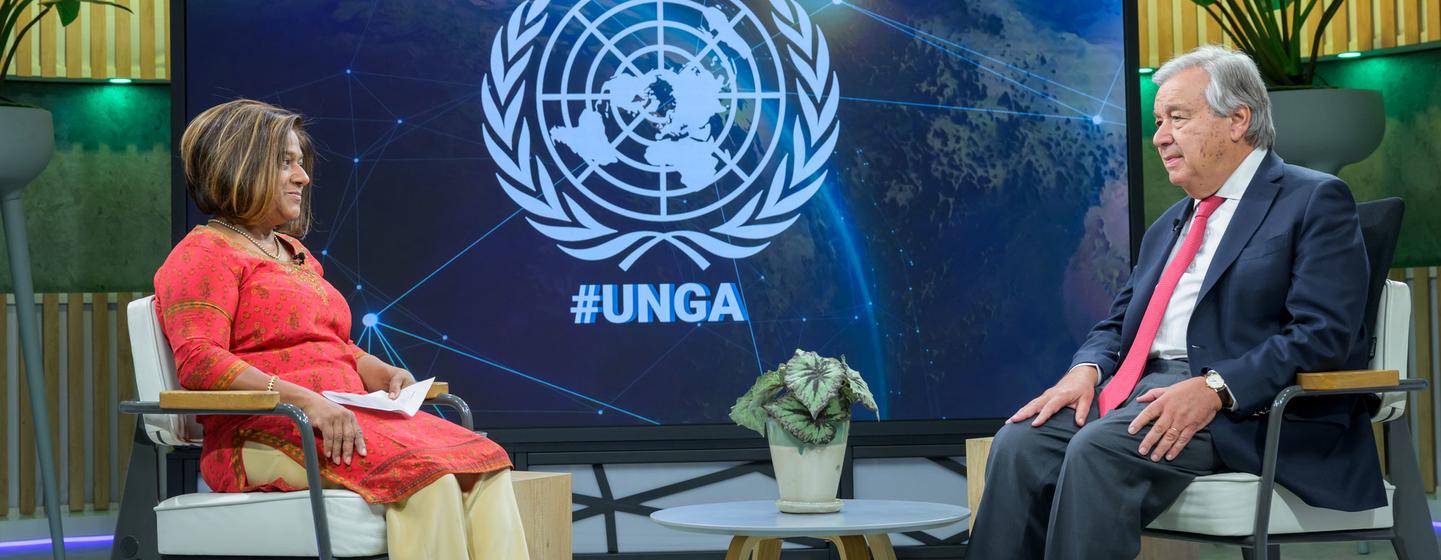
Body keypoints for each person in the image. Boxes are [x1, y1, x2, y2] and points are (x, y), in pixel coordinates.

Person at [967, 45, 1383, 559]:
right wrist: (1086, 369)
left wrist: (1215, 387)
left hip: (1244, 412)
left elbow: (1324, 336)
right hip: (1138, 392)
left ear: (1237, 120)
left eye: (1177, 119)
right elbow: (1117, 324)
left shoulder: (1314, 200)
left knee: (1098, 448)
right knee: (1019, 444)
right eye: (1159, 121)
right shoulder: (1171, 224)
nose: (1160, 136)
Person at [155, 99, 530, 560]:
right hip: (263, 430)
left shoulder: (294, 252)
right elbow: (199, 360)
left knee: (483, 464)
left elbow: (337, 345)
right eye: (285, 163)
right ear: (240, 165)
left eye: (300, 162)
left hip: (342, 420)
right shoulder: (204, 254)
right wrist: (306, 401)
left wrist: (381, 371)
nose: (303, 177)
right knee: (426, 480)